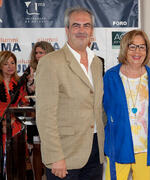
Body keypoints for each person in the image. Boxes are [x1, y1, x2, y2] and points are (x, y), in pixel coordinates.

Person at [35, 7, 105, 180]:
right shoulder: (50, 62)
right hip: (65, 155)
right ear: (67, 30)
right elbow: (45, 115)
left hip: (95, 152)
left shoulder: (97, 62)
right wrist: (55, 156)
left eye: (86, 25)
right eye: (76, 25)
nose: (82, 30)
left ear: (92, 30)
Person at [103, 30, 150, 180]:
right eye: (132, 46)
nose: (137, 51)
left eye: (142, 47)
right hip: (118, 146)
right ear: (124, 48)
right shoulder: (110, 76)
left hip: (146, 149)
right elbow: (102, 110)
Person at [26, 41, 54, 180]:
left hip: (51, 115)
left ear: (48, 53)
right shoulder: (32, 69)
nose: (38, 55)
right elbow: (31, 93)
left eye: (41, 53)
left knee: (50, 147)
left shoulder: (56, 68)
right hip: (35, 115)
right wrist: (31, 82)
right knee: (36, 149)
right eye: (36, 53)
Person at [0, 51, 29, 175]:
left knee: (16, 165)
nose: (10, 66)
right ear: (0, 66)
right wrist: (3, 124)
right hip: (1, 124)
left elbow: (24, 103)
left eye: (12, 63)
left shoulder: (19, 83)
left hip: (15, 125)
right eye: (6, 64)